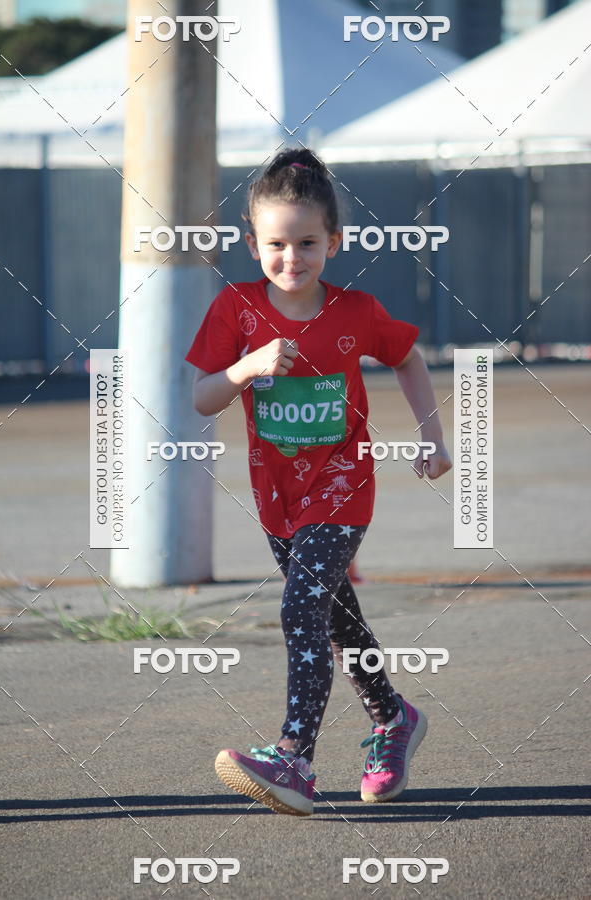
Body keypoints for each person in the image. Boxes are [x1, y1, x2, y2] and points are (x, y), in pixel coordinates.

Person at [185, 148, 452, 817]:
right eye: (276, 244)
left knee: (302, 608)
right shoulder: (236, 309)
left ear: (334, 242)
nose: (291, 258)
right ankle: (394, 721)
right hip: (277, 500)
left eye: (307, 243)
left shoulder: (356, 311)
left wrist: (433, 437)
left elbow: (409, 358)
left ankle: (294, 760)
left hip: (342, 489)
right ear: (253, 245)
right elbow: (202, 399)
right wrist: (247, 367)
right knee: (339, 622)